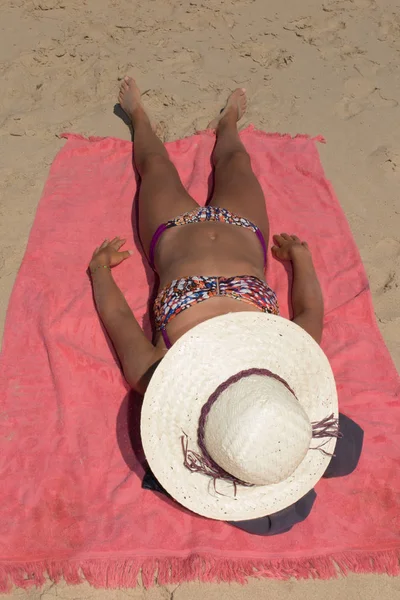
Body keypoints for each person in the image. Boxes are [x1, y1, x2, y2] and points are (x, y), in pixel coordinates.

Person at [89, 77, 363, 535]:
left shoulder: (156, 375)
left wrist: (100, 272)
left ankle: (139, 117)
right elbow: (311, 311)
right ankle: (228, 122)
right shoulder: (287, 358)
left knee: (155, 166)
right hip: (244, 231)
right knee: (236, 159)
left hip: (172, 232)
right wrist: (302, 260)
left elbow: (118, 320)